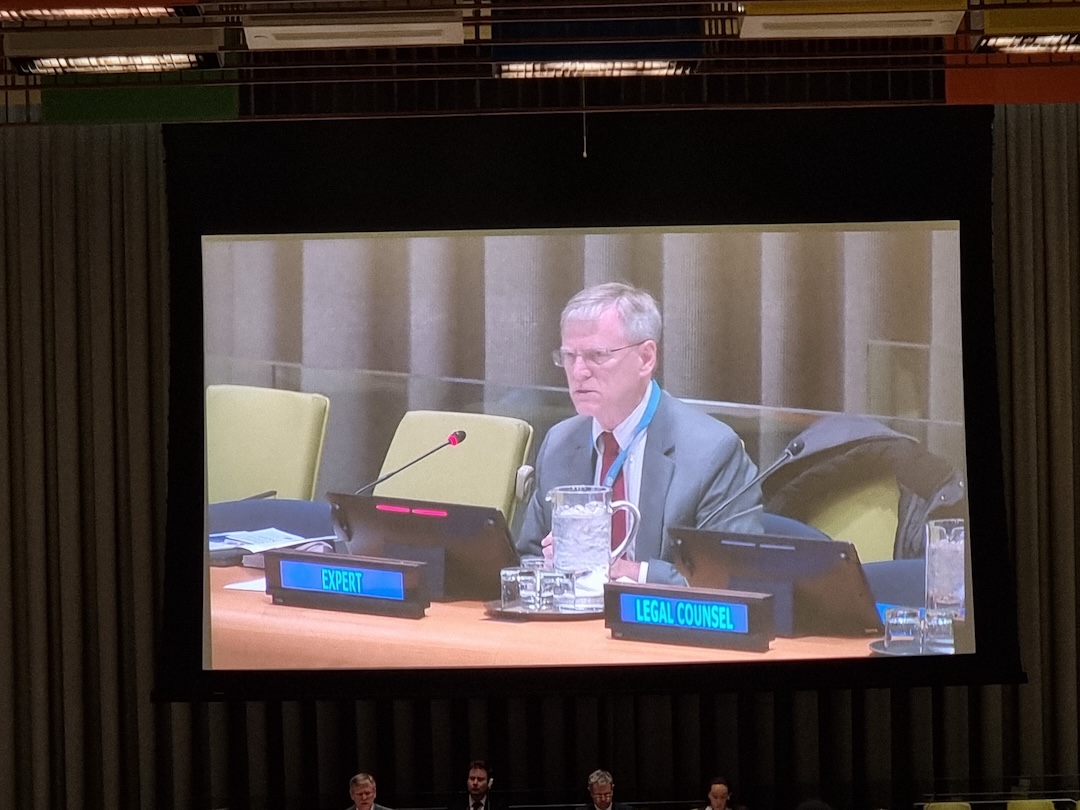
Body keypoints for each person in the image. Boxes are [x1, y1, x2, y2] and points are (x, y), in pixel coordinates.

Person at [517, 282, 764, 585]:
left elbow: (732, 578)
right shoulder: (559, 443)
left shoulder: (711, 451)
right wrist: (552, 565)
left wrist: (629, 571)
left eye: (597, 355)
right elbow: (527, 556)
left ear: (646, 358)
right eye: (569, 356)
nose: (579, 371)